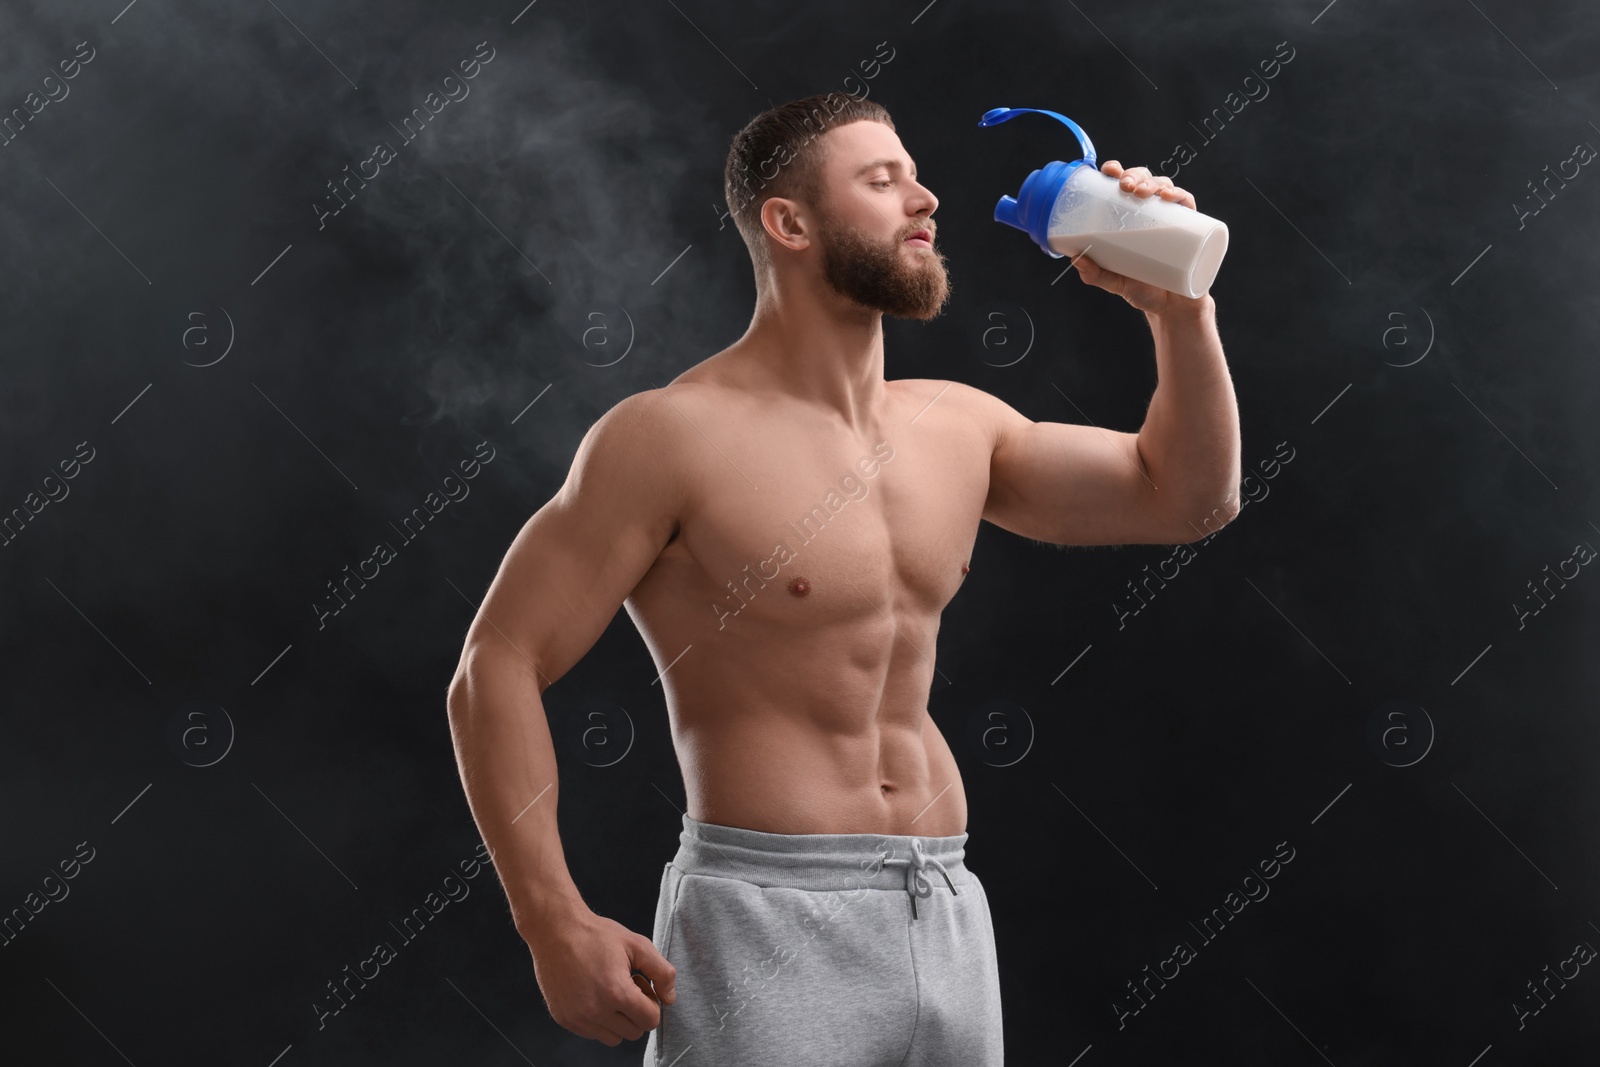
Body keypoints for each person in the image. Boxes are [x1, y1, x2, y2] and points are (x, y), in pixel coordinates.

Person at [445, 91, 1241, 1065]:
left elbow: (1186, 498)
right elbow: (498, 661)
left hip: (944, 908)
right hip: (766, 916)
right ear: (789, 223)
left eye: (915, 175)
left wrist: (1178, 310)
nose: (926, 199)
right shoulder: (668, 436)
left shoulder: (958, 424)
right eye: (882, 180)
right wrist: (551, 920)